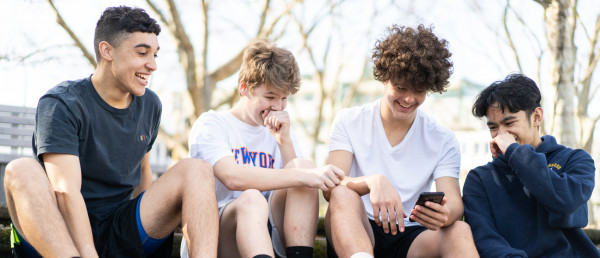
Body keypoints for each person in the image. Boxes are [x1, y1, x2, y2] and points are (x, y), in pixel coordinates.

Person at [3, 6, 218, 258]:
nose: (152, 65)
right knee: (20, 169)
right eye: (142, 53)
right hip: (60, 230)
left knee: (197, 169)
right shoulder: (61, 103)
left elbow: (142, 175)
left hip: (120, 227)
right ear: (107, 51)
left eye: (155, 55)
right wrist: (87, 251)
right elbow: (65, 191)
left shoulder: (150, 104)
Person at [324, 24, 479, 258]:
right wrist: (372, 182)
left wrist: (446, 214)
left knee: (459, 230)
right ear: (384, 78)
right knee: (342, 193)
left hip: (412, 237)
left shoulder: (443, 139)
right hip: (356, 226)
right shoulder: (349, 120)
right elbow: (331, 187)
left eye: (418, 91)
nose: (408, 98)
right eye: (400, 87)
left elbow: (455, 204)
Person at [183, 39, 344, 258]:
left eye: (284, 98)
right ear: (244, 87)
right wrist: (305, 175)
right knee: (252, 198)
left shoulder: (283, 130)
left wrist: (284, 142)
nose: (277, 107)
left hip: (267, 232)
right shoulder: (212, 124)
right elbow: (232, 178)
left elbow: (299, 190)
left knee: (303, 166)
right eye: (270, 97)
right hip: (219, 233)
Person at [463, 73, 600, 257]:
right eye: (493, 127)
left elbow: (566, 204)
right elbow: (486, 238)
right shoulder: (479, 179)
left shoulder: (576, 160)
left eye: (509, 123)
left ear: (536, 117)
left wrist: (515, 153)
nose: (501, 135)